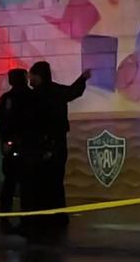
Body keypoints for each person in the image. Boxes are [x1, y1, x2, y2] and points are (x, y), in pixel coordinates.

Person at [26, 61, 91, 235]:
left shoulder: (33, 97)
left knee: (39, 182)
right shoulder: (56, 91)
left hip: (39, 145)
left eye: (31, 75)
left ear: (38, 76)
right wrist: (83, 78)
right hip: (58, 144)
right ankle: (58, 216)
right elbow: (73, 92)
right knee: (55, 181)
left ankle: (41, 218)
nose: (29, 79)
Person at [0, 68, 32, 233]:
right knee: (26, 185)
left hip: (12, 147)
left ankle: (4, 218)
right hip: (27, 147)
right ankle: (27, 219)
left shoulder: (5, 99)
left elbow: (1, 123)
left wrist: (5, 142)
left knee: (10, 184)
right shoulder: (31, 97)